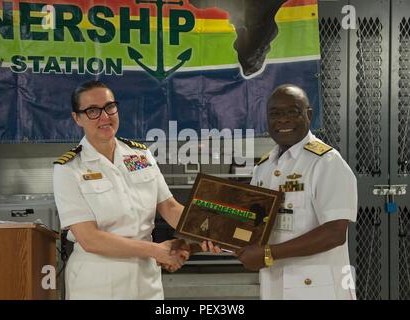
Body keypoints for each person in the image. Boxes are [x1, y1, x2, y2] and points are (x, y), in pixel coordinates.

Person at [53, 80, 218, 299]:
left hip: (146, 282)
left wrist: (212, 232)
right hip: (97, 283)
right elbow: (89, 238)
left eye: (110, 107)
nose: (104, 117)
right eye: (92, 111)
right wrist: (156, 251)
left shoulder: (140, 156)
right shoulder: (69, 168)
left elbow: (169, 207)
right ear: (77, 118)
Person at [235, 84, 357, 300]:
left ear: (309, 115)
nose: (283, 119)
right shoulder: (264, 167)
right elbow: (252, 223)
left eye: (292, 112)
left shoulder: (327, 162)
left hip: (319, 290)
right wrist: (198, 244)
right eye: (275, 114)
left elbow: (335, 233)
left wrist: (267, 254)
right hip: (275, 287)